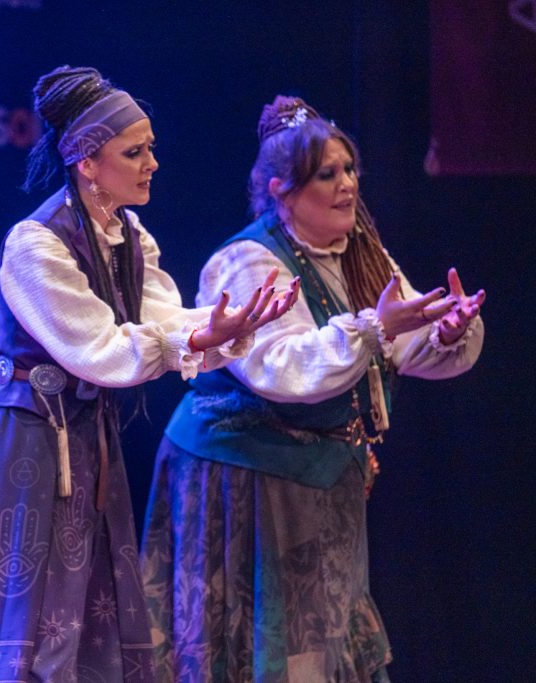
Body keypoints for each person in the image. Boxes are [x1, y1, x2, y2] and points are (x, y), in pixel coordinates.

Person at [0, 66, 298, 683]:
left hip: (85, 432)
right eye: (134, 152)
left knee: (87, 601)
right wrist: (197, 336)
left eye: (150, 148)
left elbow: (161, 317)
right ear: (87, 162)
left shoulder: (128, 234)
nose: (152, 163)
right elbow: (99, 348)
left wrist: (224, 325)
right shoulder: (36, 244)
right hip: (28, 436)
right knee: (29, 607)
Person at [139, 95, 486, 682]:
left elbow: (399, 345)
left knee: (321, 637)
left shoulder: (363, 254)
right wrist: (374, 328)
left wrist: (444, 332)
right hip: (247, 477)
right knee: (264, 643)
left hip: (323, 473)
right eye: (327, 174)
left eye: (349, 169)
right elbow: (281, 368)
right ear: (281, 190)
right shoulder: (249, 262)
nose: (347, 184)